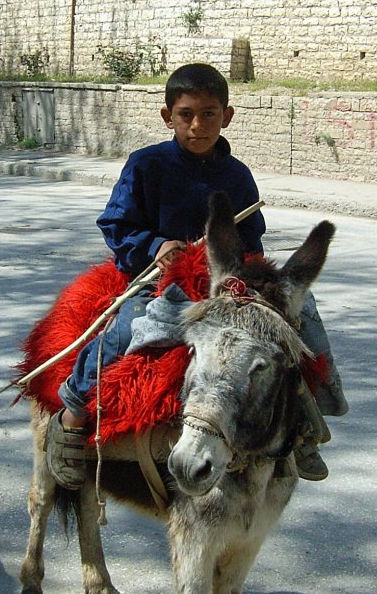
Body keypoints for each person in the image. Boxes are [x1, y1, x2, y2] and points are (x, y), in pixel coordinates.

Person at [44, 63, 347, 491]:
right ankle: (72, 416)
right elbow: (116, 224)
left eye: (209, 114)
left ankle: (304, 424)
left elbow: (251, 239)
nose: (197, 125)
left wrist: (245, 279)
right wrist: (155, 246)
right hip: (157, 280)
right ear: (168, 116)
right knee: (126, 329)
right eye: (186, 114)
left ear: (228, 116)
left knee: (295, 324)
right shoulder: (146, 165)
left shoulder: (238, 175)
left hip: (223, 284)